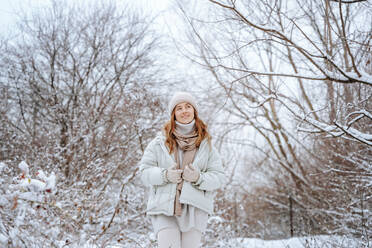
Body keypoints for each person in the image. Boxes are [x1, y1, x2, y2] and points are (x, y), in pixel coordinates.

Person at [139, 91, 226, 248]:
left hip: (195, 209)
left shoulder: (207, 145)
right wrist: (165, 175)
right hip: (164, 207)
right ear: (173, 114)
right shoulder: (159, 142)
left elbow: (219, 177)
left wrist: (198, 178)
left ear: (194, 111)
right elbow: (144, 172)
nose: (184, 111)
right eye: (179, 108)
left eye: (188, 106)